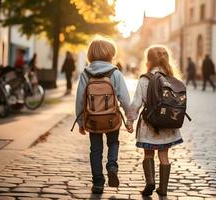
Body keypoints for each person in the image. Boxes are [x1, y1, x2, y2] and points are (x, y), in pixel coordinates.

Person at [75, 38, 132, 194]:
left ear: (90, 54)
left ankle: (98, 183)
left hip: (93, 119)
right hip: (112, 118)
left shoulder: (86, 73)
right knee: (113, 142)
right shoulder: (115, 73)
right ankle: (112, 165)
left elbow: (80, 99)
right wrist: (129, 119)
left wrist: (80, 122)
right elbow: (125, 99)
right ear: (110, 54)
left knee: (95, 150)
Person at [127, 45, 183, 197]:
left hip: (149, 124)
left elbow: (136, 103)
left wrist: (130, 121)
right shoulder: (172, 79)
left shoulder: (145, 79)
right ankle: (163, 188)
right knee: (164, 156)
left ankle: (150, 182)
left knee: (149, 154)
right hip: (167, 125)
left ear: (148, 60)